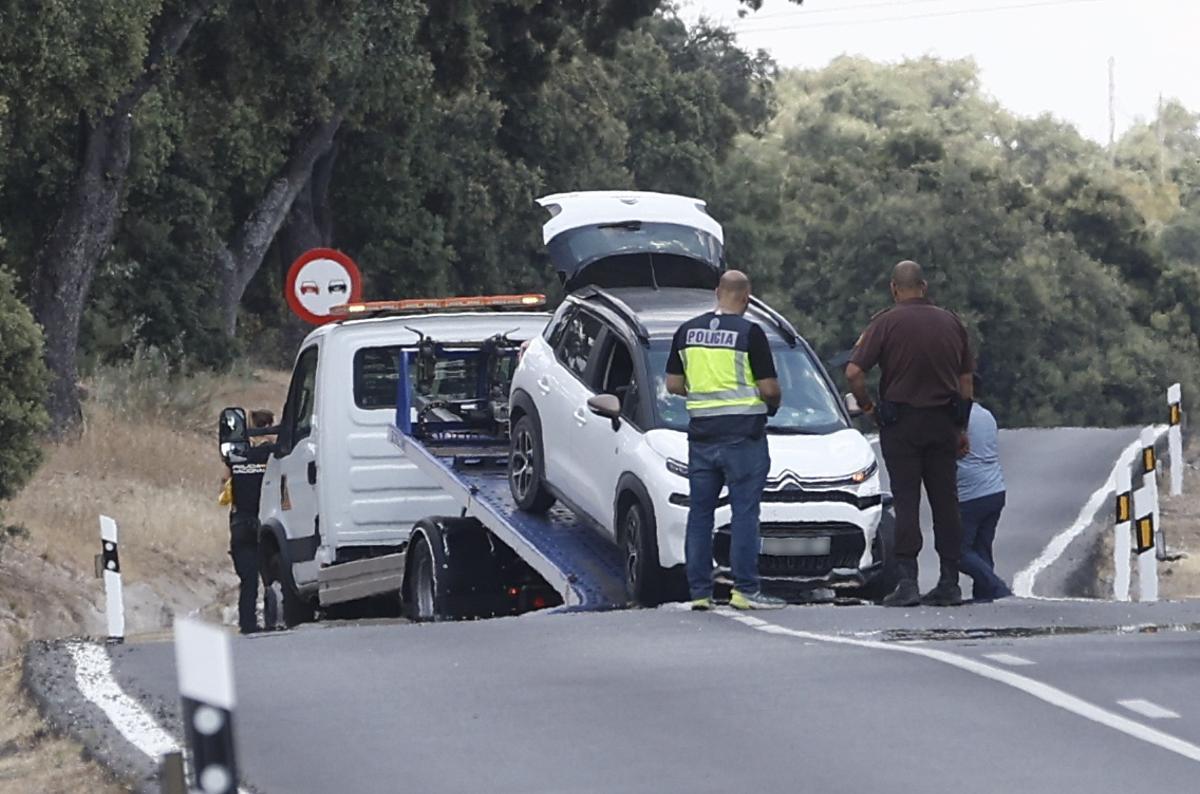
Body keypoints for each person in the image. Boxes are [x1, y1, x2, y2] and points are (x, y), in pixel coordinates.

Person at [845, 260, 974, 607]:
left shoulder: (885, 324)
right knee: (946, 502)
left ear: (894, 288)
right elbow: (965, 382)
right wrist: (961, 426)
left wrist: (870, 408)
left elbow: (854, 372)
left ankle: (908, 581)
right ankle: (950, 580)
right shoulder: (952, 323)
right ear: (924, 286)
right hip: (943, 422)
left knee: (906, 501)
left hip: (901, 424)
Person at [666, 270, 786, 611]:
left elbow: (673, 384)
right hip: (743, 439)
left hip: (702, 437)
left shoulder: (687, 331)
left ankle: (700, 593)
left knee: (700, 514)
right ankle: (745, 591)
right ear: (746, 298)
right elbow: (769, 389)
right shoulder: (751, 333)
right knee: (745, 513)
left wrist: (704, 395)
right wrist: (772, 405)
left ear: (718, 293)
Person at [221, 408, 276, 633]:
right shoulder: (273, 455)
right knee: (273, 576)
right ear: (271, 424)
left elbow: (224, 481)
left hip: (241, 522)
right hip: (268, 523)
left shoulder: (237, 456)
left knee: (248, 580)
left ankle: (248, 624)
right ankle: (276, 619)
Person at [957, 379, 1012, 601]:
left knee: (958, 552)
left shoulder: (959, 419)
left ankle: (998, 588)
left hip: (971, 493)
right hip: (995, 489)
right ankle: (984, 598)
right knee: (982, 548)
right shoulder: (987, 416)